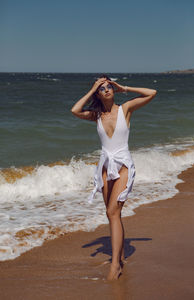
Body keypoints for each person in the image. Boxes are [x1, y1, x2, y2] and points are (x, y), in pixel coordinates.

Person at [71, 75, 157, 280]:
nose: (107, 89)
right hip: (105, 166)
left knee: (112, 212)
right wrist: (92, 89)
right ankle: (120, 257)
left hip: (124, 165)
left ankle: (115, 265)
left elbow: (152, 93)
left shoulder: (125, 109)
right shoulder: (96, 115)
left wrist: (123, 87)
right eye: (103, 88)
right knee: (113, 215)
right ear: (98, 94)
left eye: (109, 86)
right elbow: (75, 110)